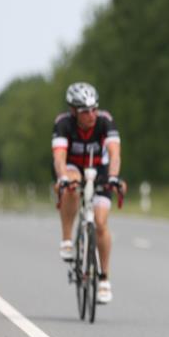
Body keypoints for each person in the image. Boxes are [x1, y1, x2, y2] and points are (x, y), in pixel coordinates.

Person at [52, 82, 126, 304]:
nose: (91, 115)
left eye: (94, 109)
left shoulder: (105, 121)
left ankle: (103, 279)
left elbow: (114, 155)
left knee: (101, 224)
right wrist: (63, 178)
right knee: (72, 186)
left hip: (100, 169)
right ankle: (67, 240)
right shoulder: (63, 123)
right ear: (74, 111)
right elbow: (59, 158)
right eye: (85, 111)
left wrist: (113, 177)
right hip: (73, 167)